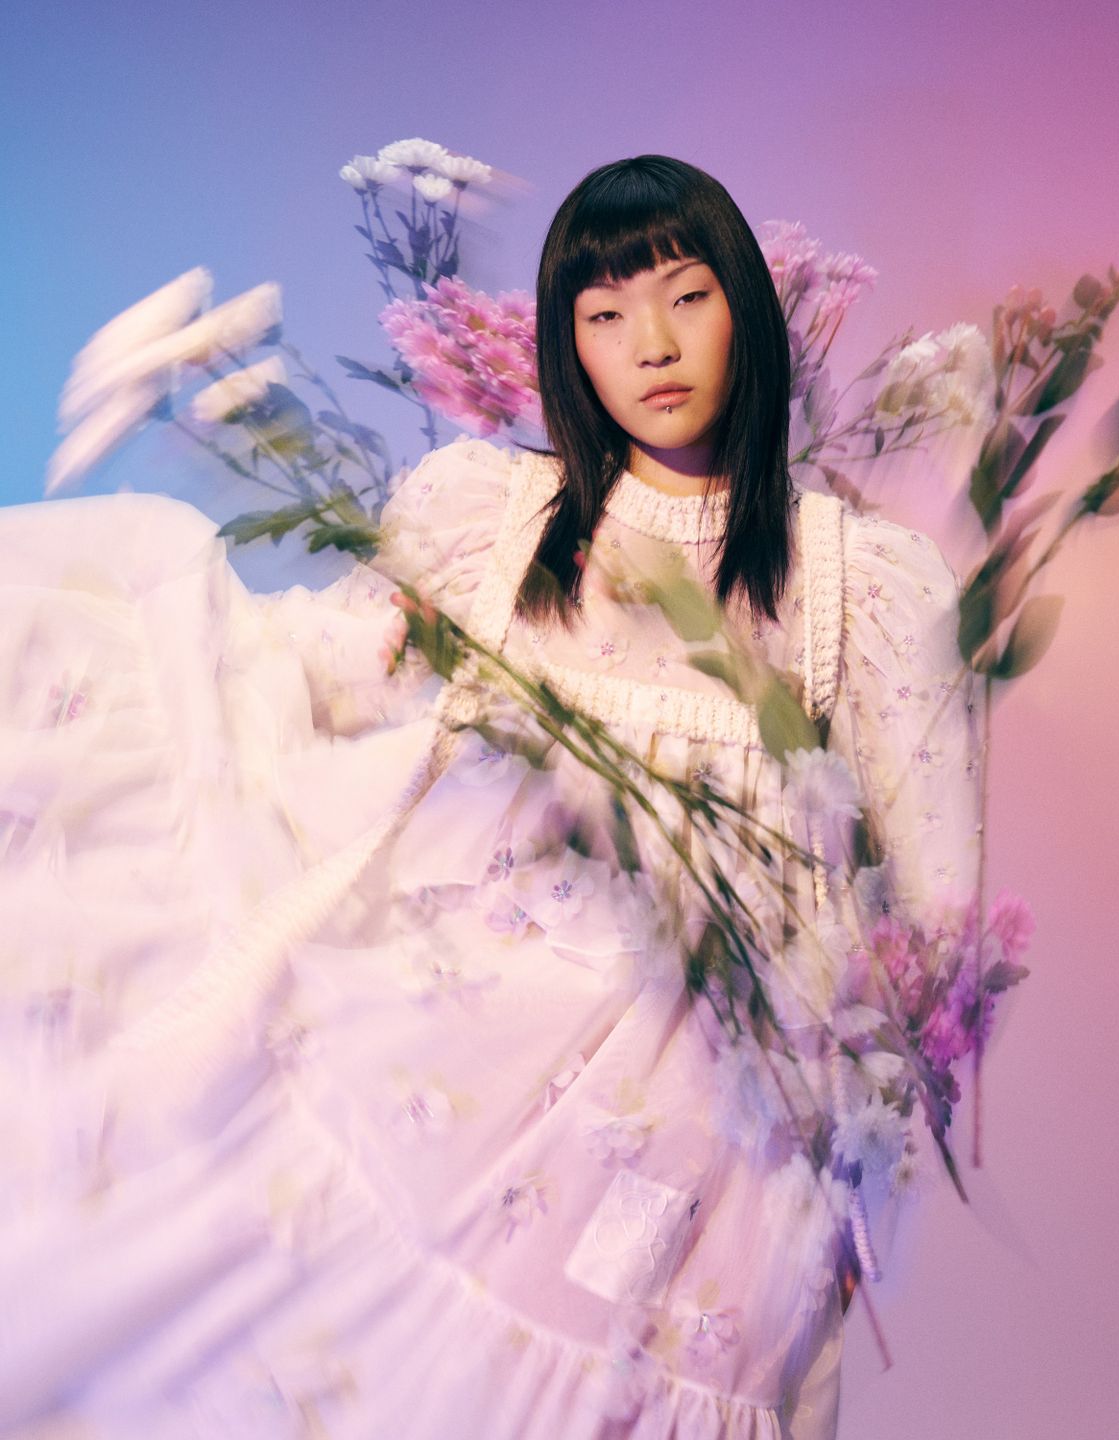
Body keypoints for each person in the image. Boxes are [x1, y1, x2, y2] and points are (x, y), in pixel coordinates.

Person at [0, 156, 980, 1439]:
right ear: (568, 343)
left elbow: (938, 933)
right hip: (456, 1109)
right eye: (606, 315)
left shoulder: (869, 585)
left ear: (745, 304)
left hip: (714, 1179)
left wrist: (866, 1173)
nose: (655, 346)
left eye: (687, 297)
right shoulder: (494, 518)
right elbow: (337, 674)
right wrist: (154, 630)